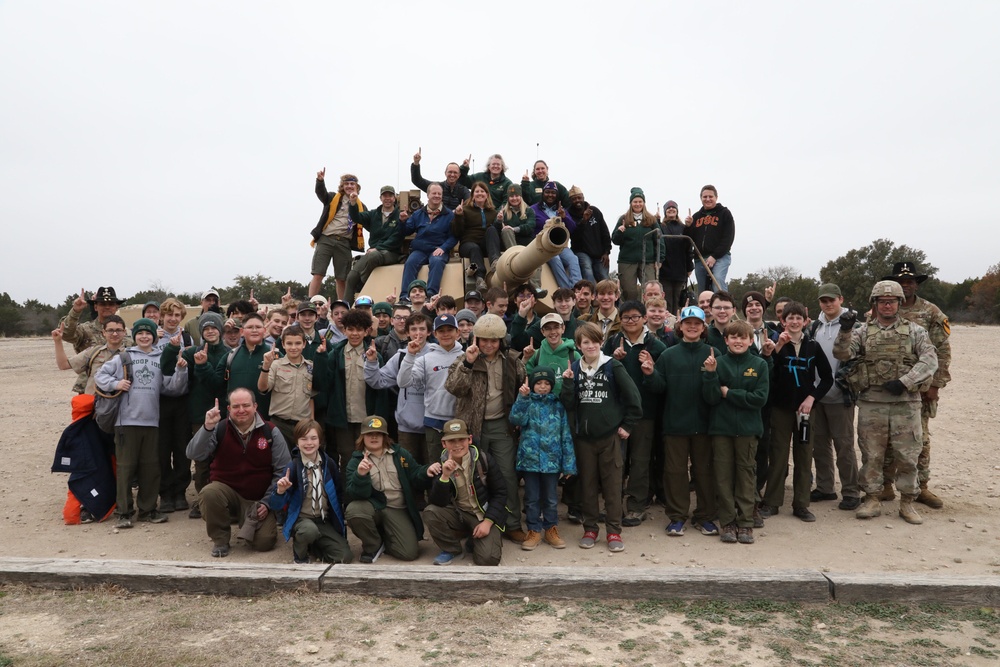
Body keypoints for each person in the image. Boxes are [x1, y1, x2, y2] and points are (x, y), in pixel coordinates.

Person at [834, 281, 938, 525]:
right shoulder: (863, 331)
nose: (887, 304)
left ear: (899, 303)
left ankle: (907, 502)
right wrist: (845, 330)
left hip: (906, 402)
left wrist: (905, 381)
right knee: (872, 454)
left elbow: (930, 360)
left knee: (908, 455)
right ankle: (872, 498)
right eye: (882, 301)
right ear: (875, 304)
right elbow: (842, 354)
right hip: (872, 402)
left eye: (892, 301)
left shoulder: (915, 331)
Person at [95, 318, 189, 529]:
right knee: (126, 468)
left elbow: (172, 388)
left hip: (152, 422)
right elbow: (100, 375)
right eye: (140, 333)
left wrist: (181, 370)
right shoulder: (124, 356)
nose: (144, 336)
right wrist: (116, 383)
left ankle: (148, 510)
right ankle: (124, 511)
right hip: (126, 421)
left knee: (150, 468)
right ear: (135, 335)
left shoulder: (161, 357)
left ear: (154, 336)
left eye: (148, 333)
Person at [560, 322, 643, 553]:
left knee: (613, 485)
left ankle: (614, 530)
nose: (591, 345)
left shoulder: (612, 366)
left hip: (610, 438)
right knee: (587, 485)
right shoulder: (575, 368)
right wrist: (567, 383)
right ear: (579, 345)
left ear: (601, 343)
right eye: (586, 342)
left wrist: (628, 424)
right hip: (584, 439)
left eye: (595, 341)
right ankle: (590, 528)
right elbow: (568, 404)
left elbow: (634, 398)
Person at [445, 313, 528, 543]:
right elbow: (453, 387)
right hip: (472, 428)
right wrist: (468, 364)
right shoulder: (465, 359)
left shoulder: (512, 360)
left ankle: (511, 524)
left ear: (501, 340)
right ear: (476, 339)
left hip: (502, 425)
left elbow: (523, 385)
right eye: (484, 340)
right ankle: (470, 522)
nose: (488, 344)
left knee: (507, 476)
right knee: (472, 477)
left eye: (494, 340)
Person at [641, 306, 719, 537]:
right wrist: (649, 374)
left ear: (704, 327)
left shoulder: (713, 354)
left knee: (704, 472)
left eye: (697, 323)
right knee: (675, 472)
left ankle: (705, 516)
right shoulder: (668, 354)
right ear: (680, 326)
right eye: (688, 323)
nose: (692, 327)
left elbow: (715, 396)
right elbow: (659, 387)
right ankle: (677, 517)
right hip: (675, 425)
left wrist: (712, 373)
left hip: (705, 426)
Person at [186, 388, 291, 557]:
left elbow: (283, 470)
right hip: (226, 493)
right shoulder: (218, 429)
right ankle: (220, 539)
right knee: (209, 493)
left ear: (255, 406)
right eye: (236, 406)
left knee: (263, 543)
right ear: (229, 409)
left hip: (257, 499)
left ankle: (247, 521)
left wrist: (267, 502)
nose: (241, 410)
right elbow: (193, 454)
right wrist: (207, 427)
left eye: (246, 405)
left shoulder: (270, 431)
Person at [882, 261, 952, 509]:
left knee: (918, 438)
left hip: (919, 389)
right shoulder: (884, 309)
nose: (905, 285)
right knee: (887, 438)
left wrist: (935, 386)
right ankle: (885, 486)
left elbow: (941, 351)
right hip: (888, 388)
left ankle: (921, 487)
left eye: (909, 281)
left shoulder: (931, 312)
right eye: (901, 282)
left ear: (916, 284)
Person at [759, 302, 833, 523]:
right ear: (782, 321)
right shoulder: (776, 343)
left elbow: (827, 377)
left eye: (798, 318)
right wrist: (778, 349)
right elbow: (767, 368)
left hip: (805, 411)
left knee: (804, 455)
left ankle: (801, 504)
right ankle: (772, 502)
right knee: (778, 455)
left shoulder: (813, 346)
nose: (794, 322)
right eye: (790, 318)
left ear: (805, 321)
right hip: (781, 408)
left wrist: (812, 398)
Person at [702, 320, 770, 544]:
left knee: (746, 475)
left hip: (748, 430)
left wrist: (729, 393)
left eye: (743, 337)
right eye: (733, 337)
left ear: (751, 340)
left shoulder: (759, 365)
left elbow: (759, 399)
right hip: (721, 429)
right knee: (723, 476)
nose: (738, 341)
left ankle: (746, 522)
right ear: (726, 340)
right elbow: (711, 398)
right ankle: (728, 521)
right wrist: (711, 375)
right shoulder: (718, 363)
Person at [603, 301, 667, 527]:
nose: (631, 321)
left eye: (635, 317)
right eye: (626, 317)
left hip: (644, 414)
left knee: (640, 461)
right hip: (616, 413)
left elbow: (662, 386)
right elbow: (601, 377)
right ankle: (613, 505)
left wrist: (649, 372)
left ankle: (637, 506)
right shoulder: (612, 344)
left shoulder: (656, 347)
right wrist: (612, 362)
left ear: (644, 318)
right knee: (616, 461)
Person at [161, 312, 230, 519]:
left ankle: (222, 500)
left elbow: (218, 384)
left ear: (220, 330)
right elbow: (166, 368)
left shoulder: (229, 354)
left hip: (225, 414)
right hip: (199, 414)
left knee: (223, 459)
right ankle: (203, 501)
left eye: (214, 327)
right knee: (202, 461)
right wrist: (172, 349)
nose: (210, 331)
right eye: (206, 328)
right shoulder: (192, 353)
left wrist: (203, 365)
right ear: (201, 332)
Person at [346, 415, 435, 563]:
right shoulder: (356, 461)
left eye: (378, 434)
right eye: (369, 434)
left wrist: (427, 471)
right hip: (374, 507)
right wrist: (361, 475)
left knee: (409, 553)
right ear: (363, 437)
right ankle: (373, 545)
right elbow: (354, 495)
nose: (374, 437)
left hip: (397, 508)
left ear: (385, 436)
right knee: (354, 510)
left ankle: (385, 537)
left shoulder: (400, 454)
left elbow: (415, 474)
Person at [314, 309, 387, 483]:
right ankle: (346, 497)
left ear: (366, 331)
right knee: (346, 457)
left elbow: (380, 388)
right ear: (344, 330)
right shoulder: (335, 354)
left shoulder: (374, 355)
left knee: (370, 456)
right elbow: (323, 383)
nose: (355, 333)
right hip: (343, 419)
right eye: (351, 329)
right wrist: (321, 357)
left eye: (359, 329)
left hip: (367, 417)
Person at [807, 283, 861, 511]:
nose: (828, 304)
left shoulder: (855, 326)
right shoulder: (814, 327)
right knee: (819, 445)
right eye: (823, 300)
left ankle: (851, 491)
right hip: (817, 396)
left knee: (844, 446)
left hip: (841, 396)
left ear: (840, 299)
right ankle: (825, 487)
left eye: (832, 300)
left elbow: (858, 359)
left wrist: (843, 383)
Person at [423, 418, 507, 566]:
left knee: (488, 559)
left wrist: (488, 522)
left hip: (482, 514)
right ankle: (451, 549)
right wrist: (445, 476)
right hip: (459, 513)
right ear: (444, 443)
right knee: (430, 511)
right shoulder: (440, 464)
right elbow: (438, 503)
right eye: (451, 441)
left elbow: (500, 493)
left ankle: (474, 539)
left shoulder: (483, 459)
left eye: (461, 439)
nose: (457, 445)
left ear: (469, 440)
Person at [510, 368, 577, 550]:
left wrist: (569, 465)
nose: (542, 387)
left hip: (552, 462)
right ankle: (533, 530)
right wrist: (522, 398)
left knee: (551, 498)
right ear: (532, 385)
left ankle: (551, 528)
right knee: (531, 498)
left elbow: (566, 436)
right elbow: (516, 419)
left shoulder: (557, 405)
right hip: (530, 460)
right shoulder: (527, 402)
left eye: (546, 383)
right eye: (538, 383)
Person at [270, 419, 351, 564]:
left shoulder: (329, 464)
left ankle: (315, 546)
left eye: (313, 438)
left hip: (323, 520)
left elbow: (338, 493)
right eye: (304, 439)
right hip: (302, 520)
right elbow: (275, 505)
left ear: (320, 441)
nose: (309, 443)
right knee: (309, 531)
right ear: (297, 442)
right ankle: (300, 554)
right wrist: (280, 491)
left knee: (344, 557)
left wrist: (338, 523)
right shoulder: (293, 467)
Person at [366, 312, 433, 468]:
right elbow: (378, 381)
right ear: (407, 332)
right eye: (414, 329)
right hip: (407, 427)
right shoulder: (401, 357)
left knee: (433, 472)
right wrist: (371, 362)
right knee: (408, 473)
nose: (418, 333)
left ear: (429, 332)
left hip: (433, 426)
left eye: (422, 329)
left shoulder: (437, 354)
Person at [397, 313, 465, 465]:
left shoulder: (466, 357)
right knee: (436, 467)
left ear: (457, 333)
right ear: (435, 334)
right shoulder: (425, 359)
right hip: (434, 422)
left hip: (459, 420)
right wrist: (409, 356)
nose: (446, 334)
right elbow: (403, 382)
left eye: (450, 330)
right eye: (441, 331)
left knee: (460, 466)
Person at [61, 286, 133, 393]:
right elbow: (66, 334)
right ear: (95, 307)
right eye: (102, 304)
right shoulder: (85, 329)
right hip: (91, 388)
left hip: (121, 387)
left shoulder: (127, 332)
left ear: (117, 307)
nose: (107, 307)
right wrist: (75, 311)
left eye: (111, 304)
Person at [310, 169, 365, 299]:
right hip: (326, 239)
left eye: (352, 184)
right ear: (342, 186)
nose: (349, 186)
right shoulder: (332, 198)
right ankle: (310, 302)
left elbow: (369, 220)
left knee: (342, 278)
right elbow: (320, 193)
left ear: (357, 187)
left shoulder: (361, 206)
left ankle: (342, 304)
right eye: (346, 184)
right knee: (318, 273)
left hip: (344, 242)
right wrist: (320, 181)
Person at [344, 186, 405, 303]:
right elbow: (356, 217)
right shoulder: (373, 214)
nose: (387, 198)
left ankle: (364, 282)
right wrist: (353, 203)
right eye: (385, 196)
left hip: (391, 252)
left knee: (373, 256)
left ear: (394, 198)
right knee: (351, 277)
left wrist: (377, 248)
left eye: (390, 196)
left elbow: (396, 239)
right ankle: (346, 308)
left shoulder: (400, 216)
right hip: (373, 252)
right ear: (380, 198)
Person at [258, 325, 317, 444]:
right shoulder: (276, 365)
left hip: (302, 425)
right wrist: (265, 367)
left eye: (298, 343)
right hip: (279, 424)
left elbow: (311, 398)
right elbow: (263, 388)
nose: (293, 347)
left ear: (304, 344)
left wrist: (312, 422)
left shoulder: (310, 367)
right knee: (280, 459)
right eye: (289, 343)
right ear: (283, 345)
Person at [399, 183, 457, 298]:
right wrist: (402, 222)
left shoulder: (449, 215)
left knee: (437, 262)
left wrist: (443, 248)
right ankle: (405, 295)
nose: (437, 196)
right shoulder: (418, 214)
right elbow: (406, 231)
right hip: (420, 250)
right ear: (428, 195)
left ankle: (431, 294)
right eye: (434, 193)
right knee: (410, 263)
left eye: (439, 194)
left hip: (438, 249)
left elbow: (454, 236)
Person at [51, 315, 128, 396]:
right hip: (93, 403)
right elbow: (63, 365)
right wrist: (58, 341)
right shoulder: (94, 352)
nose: (115, 334)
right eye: (110, 330)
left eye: (118, 330)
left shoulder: (131, 354)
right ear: (104, 333)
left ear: (124, 332)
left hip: (121, 404)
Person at [613, 188, 663, 302]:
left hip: (648, 261)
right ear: (631, 203)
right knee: (630, 292)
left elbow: (660, 240)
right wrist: (620, 231)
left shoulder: (651, 219)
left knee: (650, 290)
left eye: (640, 201)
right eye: (635, 201)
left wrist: (659, 259)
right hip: (627, 261)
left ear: (644, 203)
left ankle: (650, 314)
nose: (638, 204)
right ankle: (630, 315)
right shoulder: (624, 219)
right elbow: (615, 240)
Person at [529, 183, 582, 289]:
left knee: (573, 259)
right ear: (543, 194)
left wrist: (564, 217)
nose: (550, 195)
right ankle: (567, 290)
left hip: (561, 246)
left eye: (553, 193)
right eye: (547, 192)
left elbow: (572, 228)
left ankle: (577, 288)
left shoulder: (561, 210)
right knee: (556, 259)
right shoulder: (533, 209)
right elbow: (529, 228)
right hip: (544, 246)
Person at [684, 185, 735, 291]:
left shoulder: (725, 214)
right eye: (705, 197)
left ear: (716, 197)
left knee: (718, 282)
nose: (707, 199)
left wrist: (714, 256)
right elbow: (688, 240)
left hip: (720, 257)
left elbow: (728, 238)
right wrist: (688, 226)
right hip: (700, 259)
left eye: (710, 196)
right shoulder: (696, 217)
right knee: (703, 291)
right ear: (701, 198)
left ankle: (723, 305)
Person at [452, 182, 498, 292]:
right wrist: (458, 216)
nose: (479, 193)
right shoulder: (465, 210)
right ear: (472, 195)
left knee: (492, 229)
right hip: (468, 244)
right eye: (477, 191)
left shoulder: (493, 212)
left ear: (487, 194)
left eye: (482, 191)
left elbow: (496, 235)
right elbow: (457, 231)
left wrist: (499, 222)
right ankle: (479, 278)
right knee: (474, 249)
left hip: (485, 245)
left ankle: (495, 261)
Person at [567, 186, 611, 284]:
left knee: (603, 277)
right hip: (581, 251)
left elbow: (604, 231)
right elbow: (574, 236)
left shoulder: (594, 211)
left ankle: (614, 299)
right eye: (574, 199)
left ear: (583, 197)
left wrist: (607, 251)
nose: (577, 201)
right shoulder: (568, 215)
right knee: (588, 271)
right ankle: (591, 297)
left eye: (579, 198)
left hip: (599, 252)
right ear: (570, 200)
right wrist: (583, 221)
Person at [659, 201, 694, 313]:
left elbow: (688, 248)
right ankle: (669, 324)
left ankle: (678, 324)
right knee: (667, 299)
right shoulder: (660, 226)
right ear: (665, 211)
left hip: (680, 269)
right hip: (665, 269)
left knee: (679, 299)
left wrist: (689, 267)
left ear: (677, 211)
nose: (671, 209)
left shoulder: (683, 228)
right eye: (668, 208)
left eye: (673, 208)